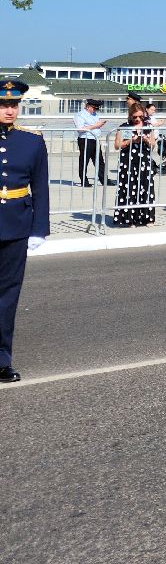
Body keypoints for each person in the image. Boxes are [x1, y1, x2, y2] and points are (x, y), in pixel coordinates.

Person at [0, 79, 48, 383]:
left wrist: (38, 229)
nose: (9, 110)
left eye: (13, 105)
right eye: (4, 105)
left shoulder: (32, 141)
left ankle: (2, 359)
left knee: (7, 296)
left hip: (16, 225)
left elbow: (40, 187)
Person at [112, 101, 158, 227]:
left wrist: (146, 140)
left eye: (140, 116)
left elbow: (153, 144)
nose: (138, 119)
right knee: (129, 188)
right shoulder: (125, 126)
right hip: (128, 161)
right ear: (130, 116)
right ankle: (130, 219)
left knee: (146, 187)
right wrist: (130, 141)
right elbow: (117, 145)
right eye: (135, 117)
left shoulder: (148, 126)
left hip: (144, 161)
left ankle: (147, 218)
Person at [74, 98, 107, 187]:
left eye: (96, 108)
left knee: (99, 161)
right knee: (84, 161)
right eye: (94, 108)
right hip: (85, 139)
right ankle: (84, 181)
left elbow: (95, 126)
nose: (95, 110)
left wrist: (99, 125)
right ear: (88, 107)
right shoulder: (80, 115)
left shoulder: (95, 115)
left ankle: (104, 179)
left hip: (95, 139)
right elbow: (80, 129)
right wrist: (96, 125)